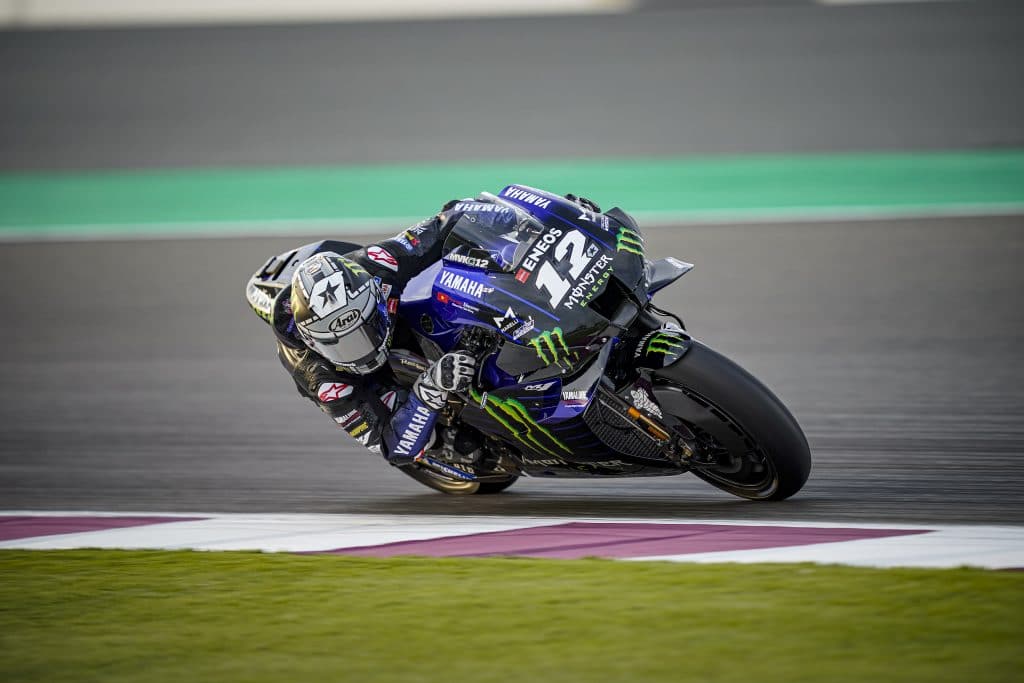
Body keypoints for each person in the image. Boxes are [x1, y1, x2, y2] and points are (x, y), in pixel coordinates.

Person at [261, 191, 601, 467]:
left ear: (374, 295)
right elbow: (391, 446)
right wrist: (430, 389)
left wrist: (532, 223)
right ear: (315, 342)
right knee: (407, 421)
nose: (363, 349)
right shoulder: (322, 378)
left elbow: (450, 218)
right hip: (377, 391)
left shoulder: (378, 267)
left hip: (398, 313)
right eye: (345, 345)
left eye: (366, 329)